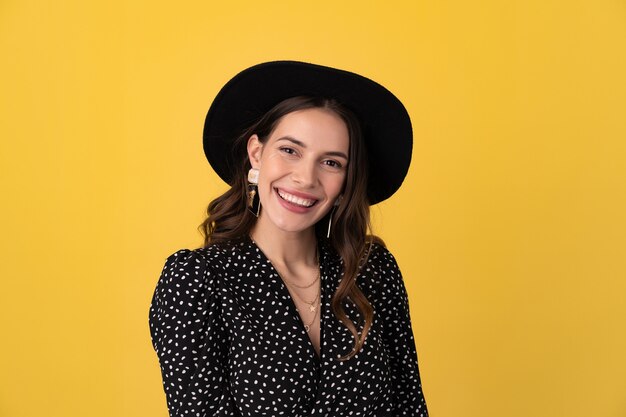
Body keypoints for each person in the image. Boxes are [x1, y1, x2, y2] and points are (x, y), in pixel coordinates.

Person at [149, 61, 428, 417]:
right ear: (256, 153)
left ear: (346, 182)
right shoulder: (196, 281)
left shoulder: (371, 270)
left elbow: (410, 404)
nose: (305, 178)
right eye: (290, 150)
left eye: (331, 163)